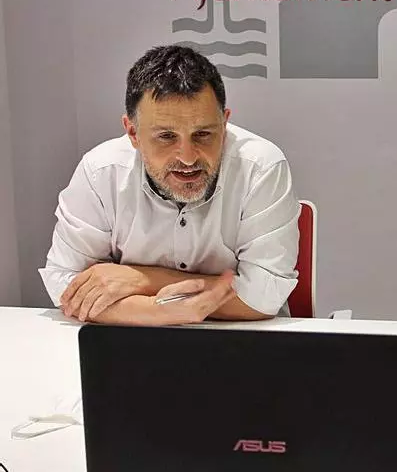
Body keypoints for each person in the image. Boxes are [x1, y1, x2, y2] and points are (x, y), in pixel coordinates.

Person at [39, 45, 300, 325]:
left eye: (203, 134)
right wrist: (158, 311)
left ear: (224, 125)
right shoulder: (100, 171)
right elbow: (66, 285)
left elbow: (263, 298)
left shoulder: (260, 167)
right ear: (133, 133)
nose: (187, 158)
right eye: (166, 136)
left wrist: (141, 279)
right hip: (130, 339)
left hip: (244, 339)